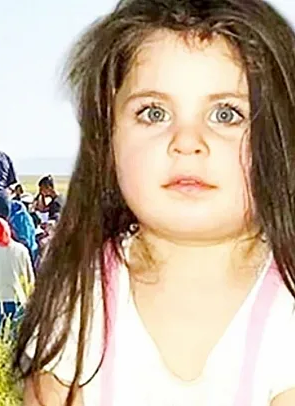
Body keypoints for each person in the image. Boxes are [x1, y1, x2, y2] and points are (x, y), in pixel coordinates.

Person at [16, 1, 295, 405]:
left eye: (226, 114)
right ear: (108, 137)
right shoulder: (83, 298)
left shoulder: (285, 305)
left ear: (281, 137)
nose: (187, 142)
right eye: (153, 112)